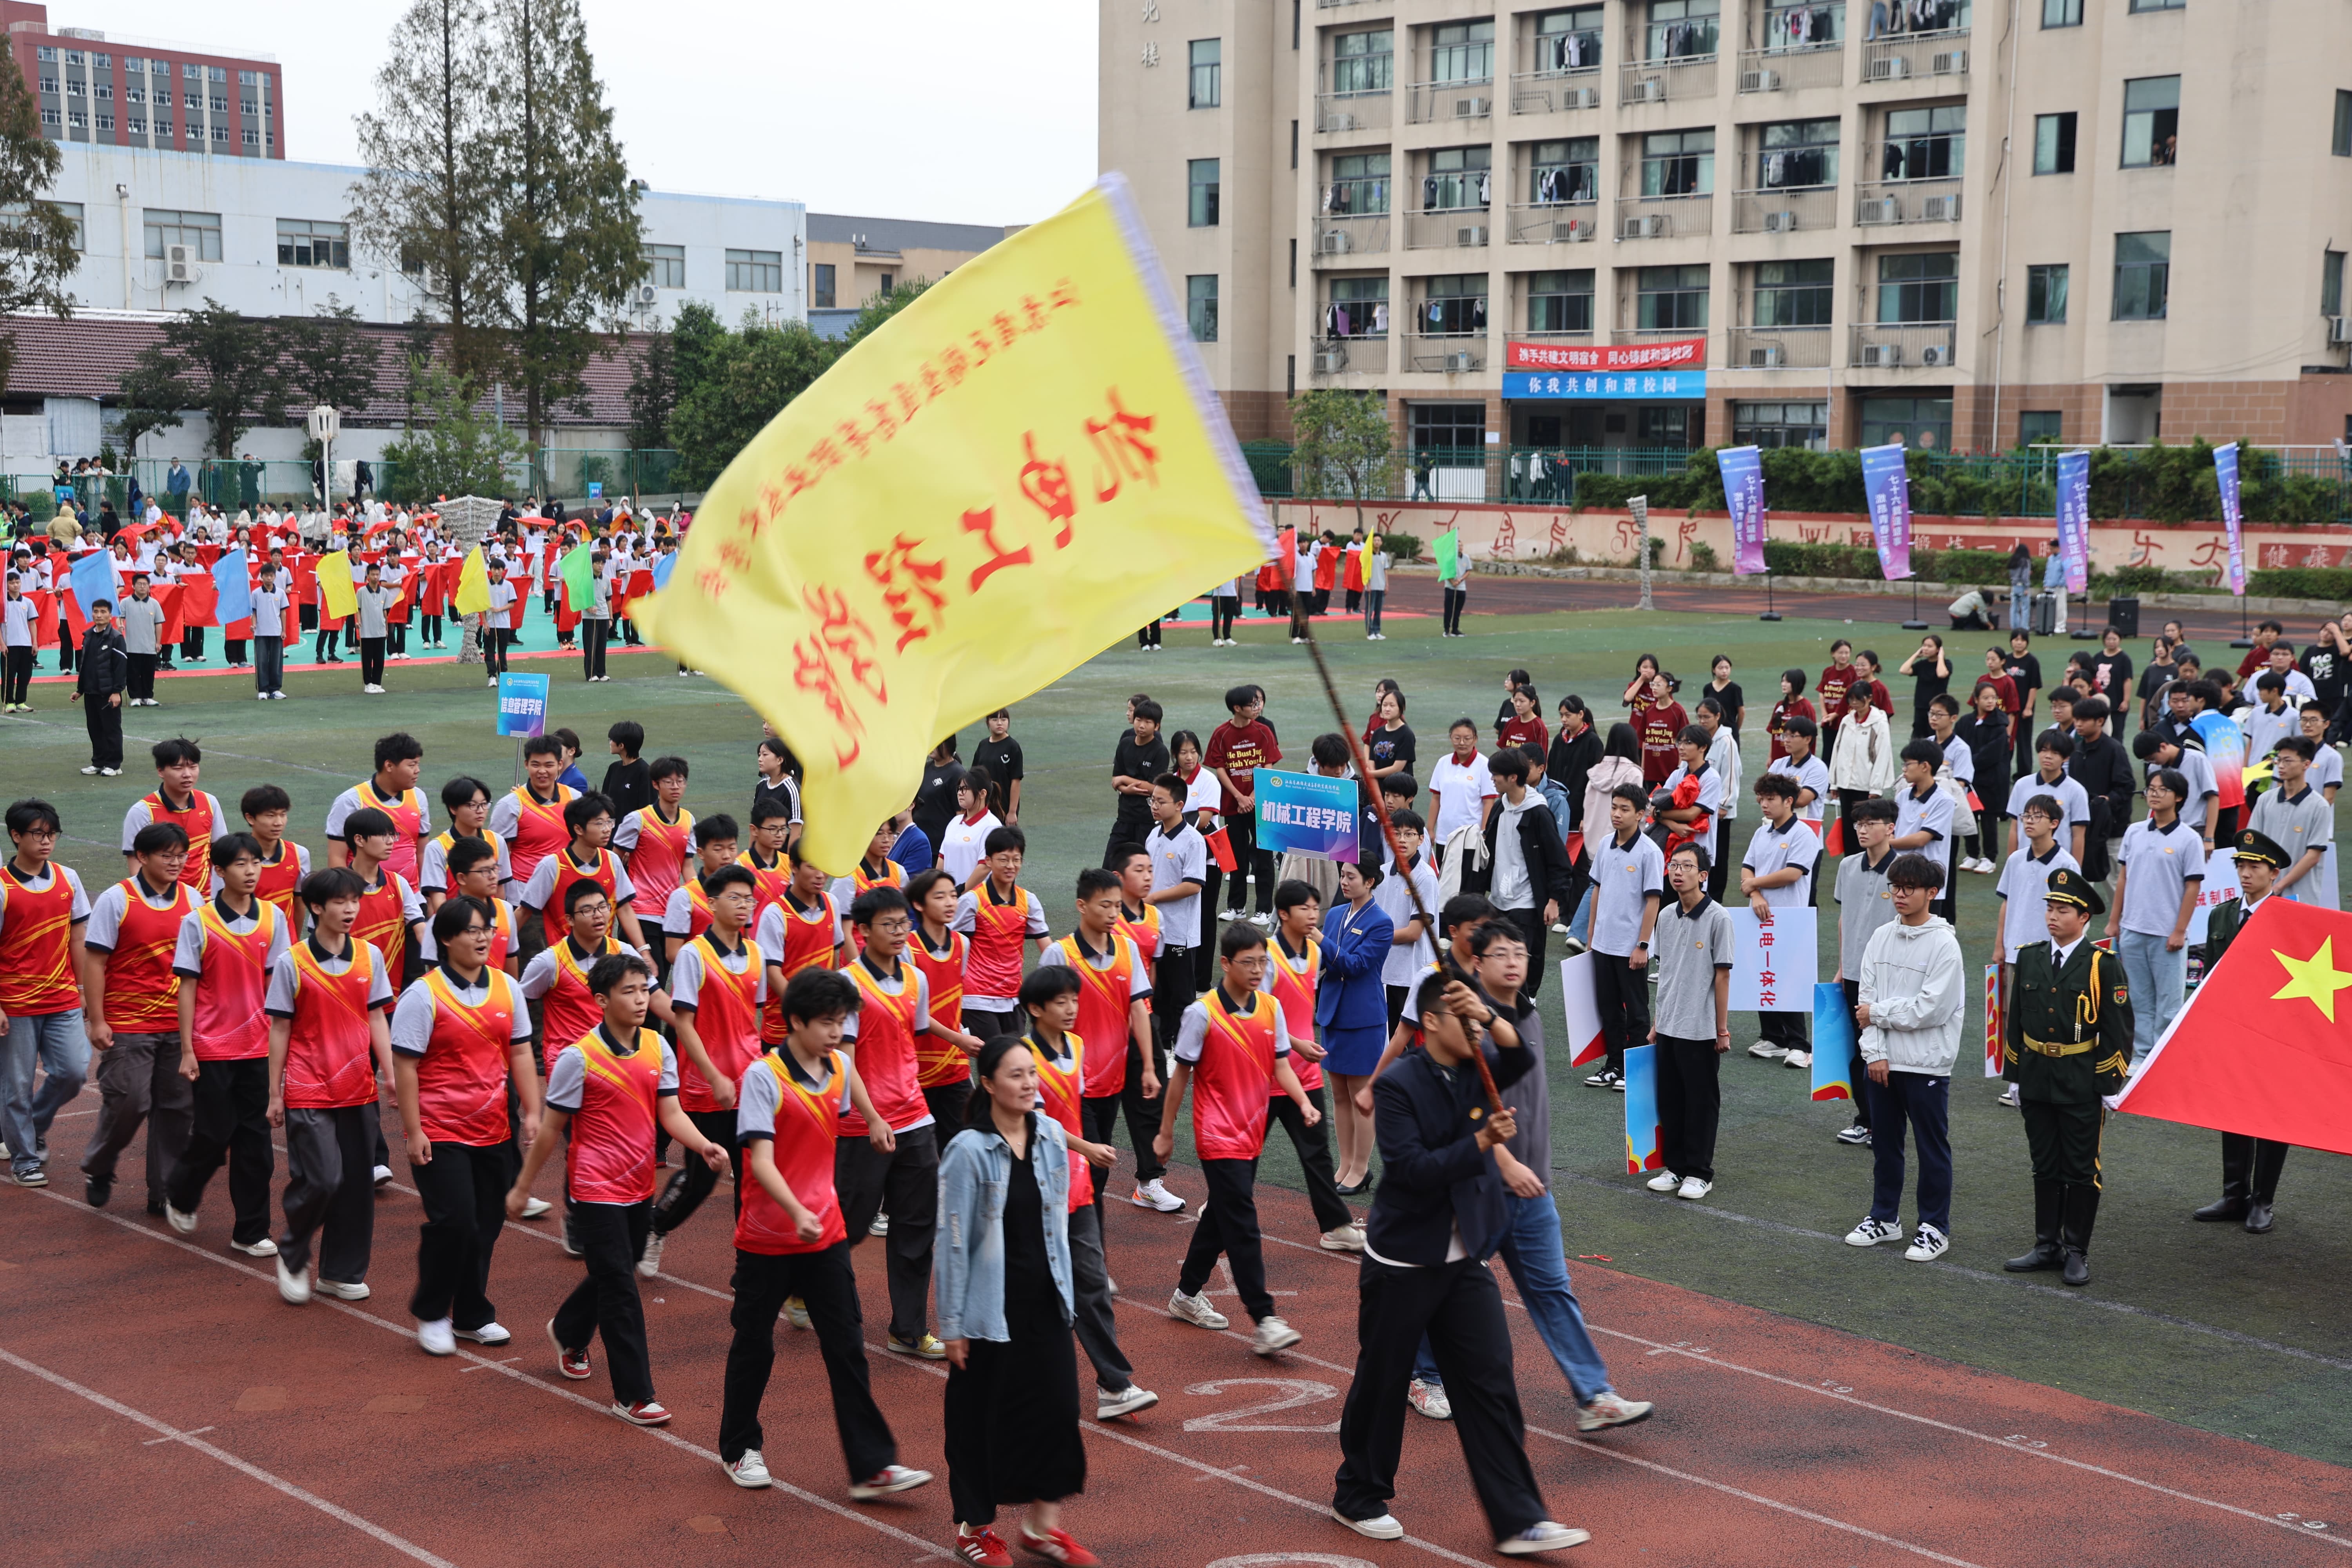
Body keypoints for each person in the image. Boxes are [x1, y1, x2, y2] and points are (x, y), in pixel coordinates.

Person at [1330, 967, 1583, 1556]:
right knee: (1383, 1381)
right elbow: (1412, 1170)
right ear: (1431, 1022)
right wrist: (1482, 1142)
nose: (1475, 1030)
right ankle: (1358, 1495)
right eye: (1464, 1019)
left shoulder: (1477, 1066)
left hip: (1465, 1258)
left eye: (1477, 1021)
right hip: (1403, 1261)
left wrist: (1489, 1013)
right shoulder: (1398, 1085)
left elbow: (1520, 1058)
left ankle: (1520, 1519)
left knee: (1491, 1383)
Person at [718, 968, 932, 1504]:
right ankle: (739, 1447)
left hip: (824, 1234)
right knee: (754, 1344)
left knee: (847, 1347)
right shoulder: (763, 1077)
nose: (838, 1032)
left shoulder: (839, 1067)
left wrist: (875, 1120)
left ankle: (871, 1465)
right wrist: (795, 1210)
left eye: (842, 1022)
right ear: (795, 1022)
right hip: (768, 1237)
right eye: (827, 1023)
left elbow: (833, 1125)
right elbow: (760, 1161)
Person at [510, 950, 724, 1425]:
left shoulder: (658, 1046)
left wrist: (703, 1145)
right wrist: (523, 1187)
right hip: (593, 1188)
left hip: (638, 1185)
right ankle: (634, 1395)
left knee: (617, 1270)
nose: (641, 999)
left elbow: (670, 1112)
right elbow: (551, 1129)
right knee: (621, 1289)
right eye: (629, 991)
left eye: (645, 989)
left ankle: (569, 1330)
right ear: (602, 1000)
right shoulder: (579, 1058)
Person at [938, 1035, 1092, 1566]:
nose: (1029, 1083)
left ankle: (1041, 1528)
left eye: (1032, 1072)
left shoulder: (1049, 1134)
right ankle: (974, 1529)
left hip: (1046, 1300)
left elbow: (1057, 1222)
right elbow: (952, 1241)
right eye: (1016, 1074)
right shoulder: (968, 1150)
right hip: (988, 1311)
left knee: (1059, 1410)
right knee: (981, 1420)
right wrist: (952, 1323)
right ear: (987, 1083)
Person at [1157, 920, 1316, 1355]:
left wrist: (1303, 1102)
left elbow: (1280, 1065)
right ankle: (1265, 1318)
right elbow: (1181, 1076)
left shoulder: (1271, 1008)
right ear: (1225, 963)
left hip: (1252, 1133)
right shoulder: (1202, 1013)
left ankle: (1187, 1294)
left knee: (1220, 1216)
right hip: (1216, 1135)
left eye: (1263, 962)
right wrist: (1166, 1132)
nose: (1258, 970)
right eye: (1249, 963)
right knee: (1243, 1222)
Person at [391, 896, 540, 1356]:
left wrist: (533, 1111)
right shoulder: (423, 995)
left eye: (487, 929)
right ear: (446, 939)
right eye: (473, 930)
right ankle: (433, 1311)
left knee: (485, 1225)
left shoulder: (507, 987)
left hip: (494, 1129)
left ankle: (472, 1315)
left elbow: (520, 1051)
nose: (484, 938)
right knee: (453, 1221)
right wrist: (415, 1130)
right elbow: (406, 1066)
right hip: (441, 1131)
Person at [1013, 964, 1159, 1421]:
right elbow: (1035, 1122)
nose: (1072, 1008)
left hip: (1074, 1187)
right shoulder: (1021, 1057)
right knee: (1034, 1289)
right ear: (1036, 1009)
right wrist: (1087, 1147)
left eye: (1074, 999)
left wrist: (1084, 1151)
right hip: (1036, 1188)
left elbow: (1075, 1110)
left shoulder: (1075, 1047)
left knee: (1092, 1283)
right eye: (1061, 1001)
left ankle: (1114, 1384)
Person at [843, 885, 981, 1358]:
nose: (901, 932)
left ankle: (908, 1328)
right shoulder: (847, 985)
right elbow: (844, 1060)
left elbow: (915, 1034)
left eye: (905, 923)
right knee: (851, 1222)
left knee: (917, 1225)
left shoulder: (916, 978)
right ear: (863, 931)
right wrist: (871, 1116)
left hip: (915, 1117)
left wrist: (958, 1042)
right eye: (890, 924)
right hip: (862, 1125)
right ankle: (803, 1283)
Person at [267, 867, 397, 1305]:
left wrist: (390, 1074)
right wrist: (275, 1092)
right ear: (317, 907)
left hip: (359, 1087)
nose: (350, 909)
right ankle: (293, 1252)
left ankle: (340, 1271)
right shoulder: (292, 962)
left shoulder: (370, 956)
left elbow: (376, 1015)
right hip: (308, 1087)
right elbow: (280, 1028)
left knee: (357, 1185)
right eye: (340, 902)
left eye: (355, 900)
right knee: (322, 1179)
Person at [2001, 869, 2131, 1287]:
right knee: (2044, 1164)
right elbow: (2016, 1020)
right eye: (2050, 909)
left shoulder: (2102, 965)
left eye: (2062, 911)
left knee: (2080, 1168)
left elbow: (2118, 1029)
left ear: (2084, 917)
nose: (2053, 917)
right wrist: (2015, 1075)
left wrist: (2108, 1083)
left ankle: (2076, 1250)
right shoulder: (2030, 957)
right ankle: (2047, 1245)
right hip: (2037, 1077)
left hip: (2080, 1081)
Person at [161, 833, 290, 1255]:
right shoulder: (197, 922)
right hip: (212, 1048)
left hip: (258, 1048)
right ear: (219, 870)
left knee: (257, 1144)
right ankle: (182, 1193)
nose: (251, 871)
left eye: (256, 862)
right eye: (240, 863)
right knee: (214, 1135)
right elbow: (187, 988)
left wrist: (282, 1043)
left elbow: (277, 986)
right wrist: (187, 1049)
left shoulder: (273, 917)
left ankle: (251, 1231)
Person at [1841, 853, 1965, 1263]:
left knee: (1932, 1149)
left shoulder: (1945, 945)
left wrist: (1878, 1014)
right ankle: (1884, 1217)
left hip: (1927, 1064)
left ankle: (1934, 1227)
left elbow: (1931, 1009)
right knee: (1886, 1145)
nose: (1900, 894)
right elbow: (1864, 1000)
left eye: (1909, 888)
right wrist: (1876, 1054)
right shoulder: (1880, 936)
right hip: (1882, 1064)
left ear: (1932, 893)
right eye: (1896, 886)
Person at [648, 864, 766, 1276]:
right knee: (702, 1177)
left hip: (750, 1086)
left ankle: (746, 1268)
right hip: (706, 1087)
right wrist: (715, 1076)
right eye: (735, 898)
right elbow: (683, 1023)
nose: (744, 905)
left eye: (749, 899)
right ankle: (656, 1225)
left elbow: (753, 1020)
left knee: (752, 1176)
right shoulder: (694, 955)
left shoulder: (756, 954)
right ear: (712, 903)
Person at [79, 822, 200, 1213]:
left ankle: (164, 1192)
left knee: (178, 1110)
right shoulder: (117, 899)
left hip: (178, 1024)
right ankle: (100, 1164)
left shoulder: (194, 900)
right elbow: (96, 962)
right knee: (129, 1101)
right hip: (128, 1022)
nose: (176, 862)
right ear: (143, 857)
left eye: (181, 855)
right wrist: (98, 1020)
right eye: (167, 855)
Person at [2191, 830, 2295, 1233]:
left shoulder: (2290, 918)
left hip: (2274, 1036)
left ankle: (2263, 1200)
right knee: (2232, 1110)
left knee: (2272, 1116)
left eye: (2255, 866)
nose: (2246, 873)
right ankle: (2235, 1194)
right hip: (2232, 1033)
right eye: (2241, 866)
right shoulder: (2221, 915)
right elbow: (2209, 977)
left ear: (2274, 872)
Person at [1039, 867, 1158, 1217]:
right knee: (1088, 1165)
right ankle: (1082, 1240)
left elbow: (1138, 1009)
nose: (1113, 913)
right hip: (1070, 1082)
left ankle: (1071, 1232)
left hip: (1112, 1081)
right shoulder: (1059, 955)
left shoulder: (1127, 949)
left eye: (1118, 906)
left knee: (1095, 1167)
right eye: (1105, 905)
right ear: (1082, 905)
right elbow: (1041, 1020)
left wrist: (1148, 1067)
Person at [0, 799, 92, 1188]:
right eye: (37, 834)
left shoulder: (68, 878)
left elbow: (79, 937)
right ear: (15, 835)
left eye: (52, 834)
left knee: (74, 1072)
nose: (46, 841)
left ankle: (31, 1125)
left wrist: (83, 988)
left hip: (62, 997)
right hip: (15, 1003)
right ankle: (25, 1159)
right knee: (17, 1086)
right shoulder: (2, 886)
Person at [1136, 773, 1206, 1212]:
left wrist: (1153, 897)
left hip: (1180, 935)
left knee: (1182, 1001)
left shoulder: (1192, 840)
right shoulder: (1153, 835)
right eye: (1153, 800)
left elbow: (1194, 885)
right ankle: (1164, 1051)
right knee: (1158, 998)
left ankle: (1183, 1058)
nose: (1155, 806)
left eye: (1161, 801)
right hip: (1156, 934)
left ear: (1179, 804)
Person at [2105, 768, 2203, 1065]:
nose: (2155, 794)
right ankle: (2141, 1056)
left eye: (2163, 790)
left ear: (2179, 797)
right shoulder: (2134, 832)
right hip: (2133, 929)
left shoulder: (2189, 839)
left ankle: (2165, 1060)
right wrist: (2115, 921)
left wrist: (2180, 930)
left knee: (2169, 1003)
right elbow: (2124, 878)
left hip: (2166, 934)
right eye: (2151, 789)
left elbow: (2193, 887)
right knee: (2138, 998)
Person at [1312, 858, 1394, 1213]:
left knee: (1361, 1098)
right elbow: (1323, 961)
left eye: (1351, 876)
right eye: (1342, 875)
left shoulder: (1382, 922)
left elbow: (1357, 966)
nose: (1344, 881)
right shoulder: (1335, 915)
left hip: (1363, 1020)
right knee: (1340, 1096)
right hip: (1333, 1013)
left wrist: (1320, 941)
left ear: (1370, 881)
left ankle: (1360, 1169)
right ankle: (1345, 1165)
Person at [1466, 746, 1572, 991]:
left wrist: (1554, 900)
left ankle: (1526, 1005)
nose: (1492, 779)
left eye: (1496, 775)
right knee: (1496, 962)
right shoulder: (1500, 807)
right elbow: (1489, 854)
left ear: (1513, 777)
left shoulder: (1539, 813)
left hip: (1527, 904)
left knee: (1521, 966)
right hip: (1498, 901)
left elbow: (1558, 860)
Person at [1584, 783, 1663, 1092]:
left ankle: (1636, 1071)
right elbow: (1597, 890)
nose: (1616, 814)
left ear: (1641, 815)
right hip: (1603, 944)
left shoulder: (1650, 852)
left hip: (1631, 947)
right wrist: (1591, 935)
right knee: (1609, 1009)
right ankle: (1614, 1065)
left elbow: (1653, 901)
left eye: (1624, 809)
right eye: (1614, 807)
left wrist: (1643, 945)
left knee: (1637, 1011)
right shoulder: (1606, 844)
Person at [1206, 685, 1282, 924]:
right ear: (1237, 708)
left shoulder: (1264, 731)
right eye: (1253, 704)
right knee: (1236, 856)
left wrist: (1252, 797)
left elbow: (1268, 766)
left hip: (1260, 805)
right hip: (1233, 806)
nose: (1257, 707)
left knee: (1264, 856)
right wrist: (1239, 797)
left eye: (1258, 703)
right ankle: (1236, 906)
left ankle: (1264, 909)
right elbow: (1220, 769)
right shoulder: (1221, 734)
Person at [120, 736, 230, 892]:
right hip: (164, 898)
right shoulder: (142, 812)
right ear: (161, 771)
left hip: (205, 899)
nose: (187, 774)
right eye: (178, 768)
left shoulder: (209, 802)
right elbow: (136, 866)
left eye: (193, 767)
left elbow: (221, 854)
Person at [326, 733, 431, 884]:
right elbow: (337, 857)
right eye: (412, 765)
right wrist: (347, 892)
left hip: (410, 893)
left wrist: (427, 892)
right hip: (363, 892)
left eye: (418, 764)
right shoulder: (351, 801)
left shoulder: (419, 797)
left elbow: (422, 852)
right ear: (389, 766)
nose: (417, 770)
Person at [2249, 736, 2333, 906]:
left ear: (2306, 764)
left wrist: (2278, 887)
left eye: (2287, 761)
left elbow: (2313, 857)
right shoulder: (2265, 800)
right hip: (2264, 893)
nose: (2281, 766)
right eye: (2278, 760)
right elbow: (2253, 845)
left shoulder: (2319, 806)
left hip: (2301, 895)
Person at [1108, 698, 1168, 866]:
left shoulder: (1160, 751)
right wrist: (1127, 789)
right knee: (1111, 865)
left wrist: (1125, 780)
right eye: (1139, 720)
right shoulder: (1125, 744)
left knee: (1143, 866)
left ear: (1157, 726)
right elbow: (1115, 780)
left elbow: (1154, 787)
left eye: (1148, 722)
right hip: (1124, 817)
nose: (1141, 726)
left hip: (1146, 821)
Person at [72, 597, 126, 776]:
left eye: (103, 612)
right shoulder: (88, 636)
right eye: (96, 611)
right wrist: (80, 690)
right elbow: (85, 665)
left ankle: (114, 765)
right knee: (95, 729)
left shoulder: (116, 638)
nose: (99, 615)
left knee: (111, 729)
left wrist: (117, 692)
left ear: (111, 615)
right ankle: (99, 762)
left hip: (108, 693)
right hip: (91, 692)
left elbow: (121, 667)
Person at [940, 768, 1004, 889]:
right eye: (959, 789)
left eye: (965, 789)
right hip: (951, 896)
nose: (960, 793)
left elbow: (985, 867)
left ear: (982, 794)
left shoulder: (992, 826)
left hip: (976, 897)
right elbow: (942, 858)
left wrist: (962, 891)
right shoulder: (955, 822)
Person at [973, 709, 1025, 824]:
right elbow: (975, 776)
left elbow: (1016, 781)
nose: (1000, 723)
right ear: (988, 722)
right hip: (983, 807)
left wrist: (1012, 812)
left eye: (1004, 719)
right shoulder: (983, 745)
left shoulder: (1013, 747)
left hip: (1003, 808)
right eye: (995, 719)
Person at [601, 722, 656, 818]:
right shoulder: (613, 768)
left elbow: (647, 811)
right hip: (612, 828)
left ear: (621, 746)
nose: (610, 743)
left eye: (611, 740)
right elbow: (604, 802)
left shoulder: (645, 772)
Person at [353, 562, 393, 693]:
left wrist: (386, 628)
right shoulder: (361, 592)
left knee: (380, 659)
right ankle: (368, 683)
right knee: (367, 659)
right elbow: (358, 609)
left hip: (380, 630)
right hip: (366, 631)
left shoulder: (385, 592)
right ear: (368, 576)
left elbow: (385, 612)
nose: (376, 577)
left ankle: (377, 683)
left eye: (377, 574)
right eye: (373, 574)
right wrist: (359, 622)